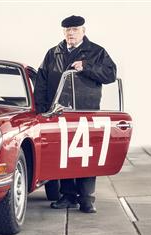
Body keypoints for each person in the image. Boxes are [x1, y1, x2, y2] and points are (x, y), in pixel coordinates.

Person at [34, 15, 117, 213]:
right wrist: (44, 110)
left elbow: (111, 74)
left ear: (83, 31)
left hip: (86, 112)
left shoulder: (96, 52)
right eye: (68, 30)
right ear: (63, 32)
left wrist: (86, 67)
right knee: (64, 154)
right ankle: (68, 196)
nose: (71, 33)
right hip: (60, 112)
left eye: (75, 29)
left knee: (86, 155)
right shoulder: (53, 53)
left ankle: (87, 199)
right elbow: (42, 83)